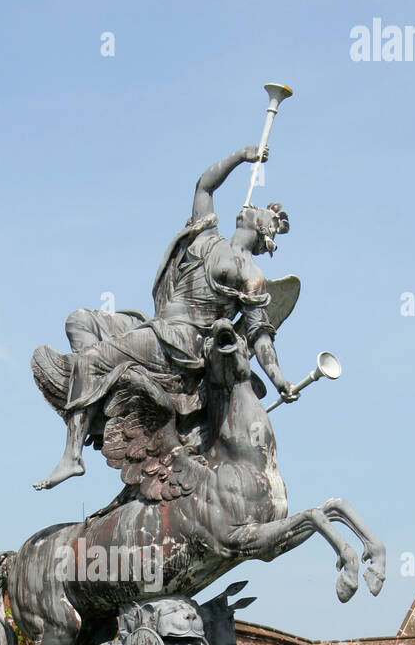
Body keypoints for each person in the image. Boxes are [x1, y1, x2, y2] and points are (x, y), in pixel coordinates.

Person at [32, 145, 298, 490]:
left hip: (180, 343)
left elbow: (261, 336)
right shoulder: (206, 236)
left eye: (263, 212)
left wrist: (280, 381)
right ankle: (100, 407)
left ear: (265, 232)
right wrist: (242, 156)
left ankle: (73, 456)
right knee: (79, 320)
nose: (254, 207)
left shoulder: (251, 274)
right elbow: (204, 186)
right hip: (157, 325)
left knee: (93, 359)